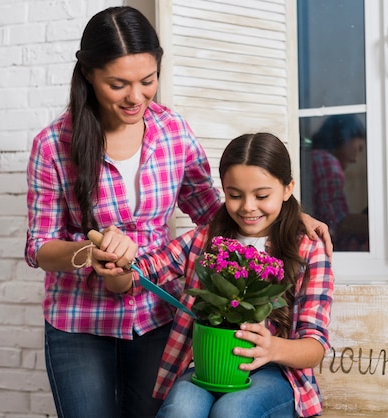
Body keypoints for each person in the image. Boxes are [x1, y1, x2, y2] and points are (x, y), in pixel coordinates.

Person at [24, 7, 331, 418]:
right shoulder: (52, 146)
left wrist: (291, 215)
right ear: (89, 75)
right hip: (79, 320)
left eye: (148, 81)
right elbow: (38, 247)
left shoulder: (172, 131)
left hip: (157, 316)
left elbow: (216, 211)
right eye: (119, 84)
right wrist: (86, 253)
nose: (137, 97)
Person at [93, 133, 334, 418]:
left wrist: (272, 348)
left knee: (233, 411)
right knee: (180, 411)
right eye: (234, 195)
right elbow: (137, 275)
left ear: (287, 188)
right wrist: (116, 265)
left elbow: (315, 345)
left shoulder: (307, 248)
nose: (247, 206)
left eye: (262, 195)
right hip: (204, 368)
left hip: (273, 373)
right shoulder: (205, 240)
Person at [311, 114, 368, 251]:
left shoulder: (313, 157)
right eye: (359, 148)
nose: (355, 159)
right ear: (345, 137)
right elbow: (335, 222)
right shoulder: (327, 162)